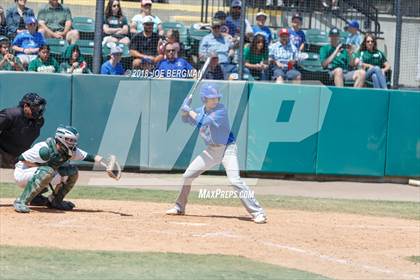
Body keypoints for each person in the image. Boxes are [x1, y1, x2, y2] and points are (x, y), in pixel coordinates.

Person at [166, 84, 267, 224]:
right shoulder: (199, 110)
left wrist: (189, 111)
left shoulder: (221, 110)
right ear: (204, 99)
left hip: (227, 149)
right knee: (187, 176)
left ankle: (258, 212)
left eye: (216, 98)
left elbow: (203, 121)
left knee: (234, 180)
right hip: (211, 151)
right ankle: (179, 207)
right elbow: (185, 120)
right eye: (211, 98)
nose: (215, 101)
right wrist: (184, 110)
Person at [12, 125, 108, 213]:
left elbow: (89, 157)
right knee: (47, 171)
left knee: (72, 171)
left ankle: (55, 201)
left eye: (74, 140)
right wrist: (44, 167)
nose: (72, 143)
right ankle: (21, 201)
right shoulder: (44, 150)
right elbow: (21, 159)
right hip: (23, 173)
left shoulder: (68, 151)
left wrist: (106, 163)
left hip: (43, 173)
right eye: (69, 140)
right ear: (61, 138)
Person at [0, 93, 46, 169]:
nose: (39, 110)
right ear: (25, 106)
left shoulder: (39, 121)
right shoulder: (10, 115)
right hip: (3, 155)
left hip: (21, 158)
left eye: (40, 107)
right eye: (35, 107)